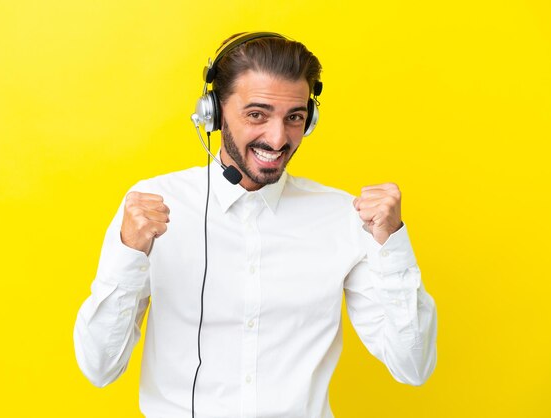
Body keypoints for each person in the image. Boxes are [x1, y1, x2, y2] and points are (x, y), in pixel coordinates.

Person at [73, 32, 437, 418]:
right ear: (212, 113)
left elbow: (412, 366)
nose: (278, 138)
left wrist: (391, 244)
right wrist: (130, 253)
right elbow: (100, 367)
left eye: (294, 117)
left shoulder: (344, 216)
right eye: (256, 115)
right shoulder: (153, 206)